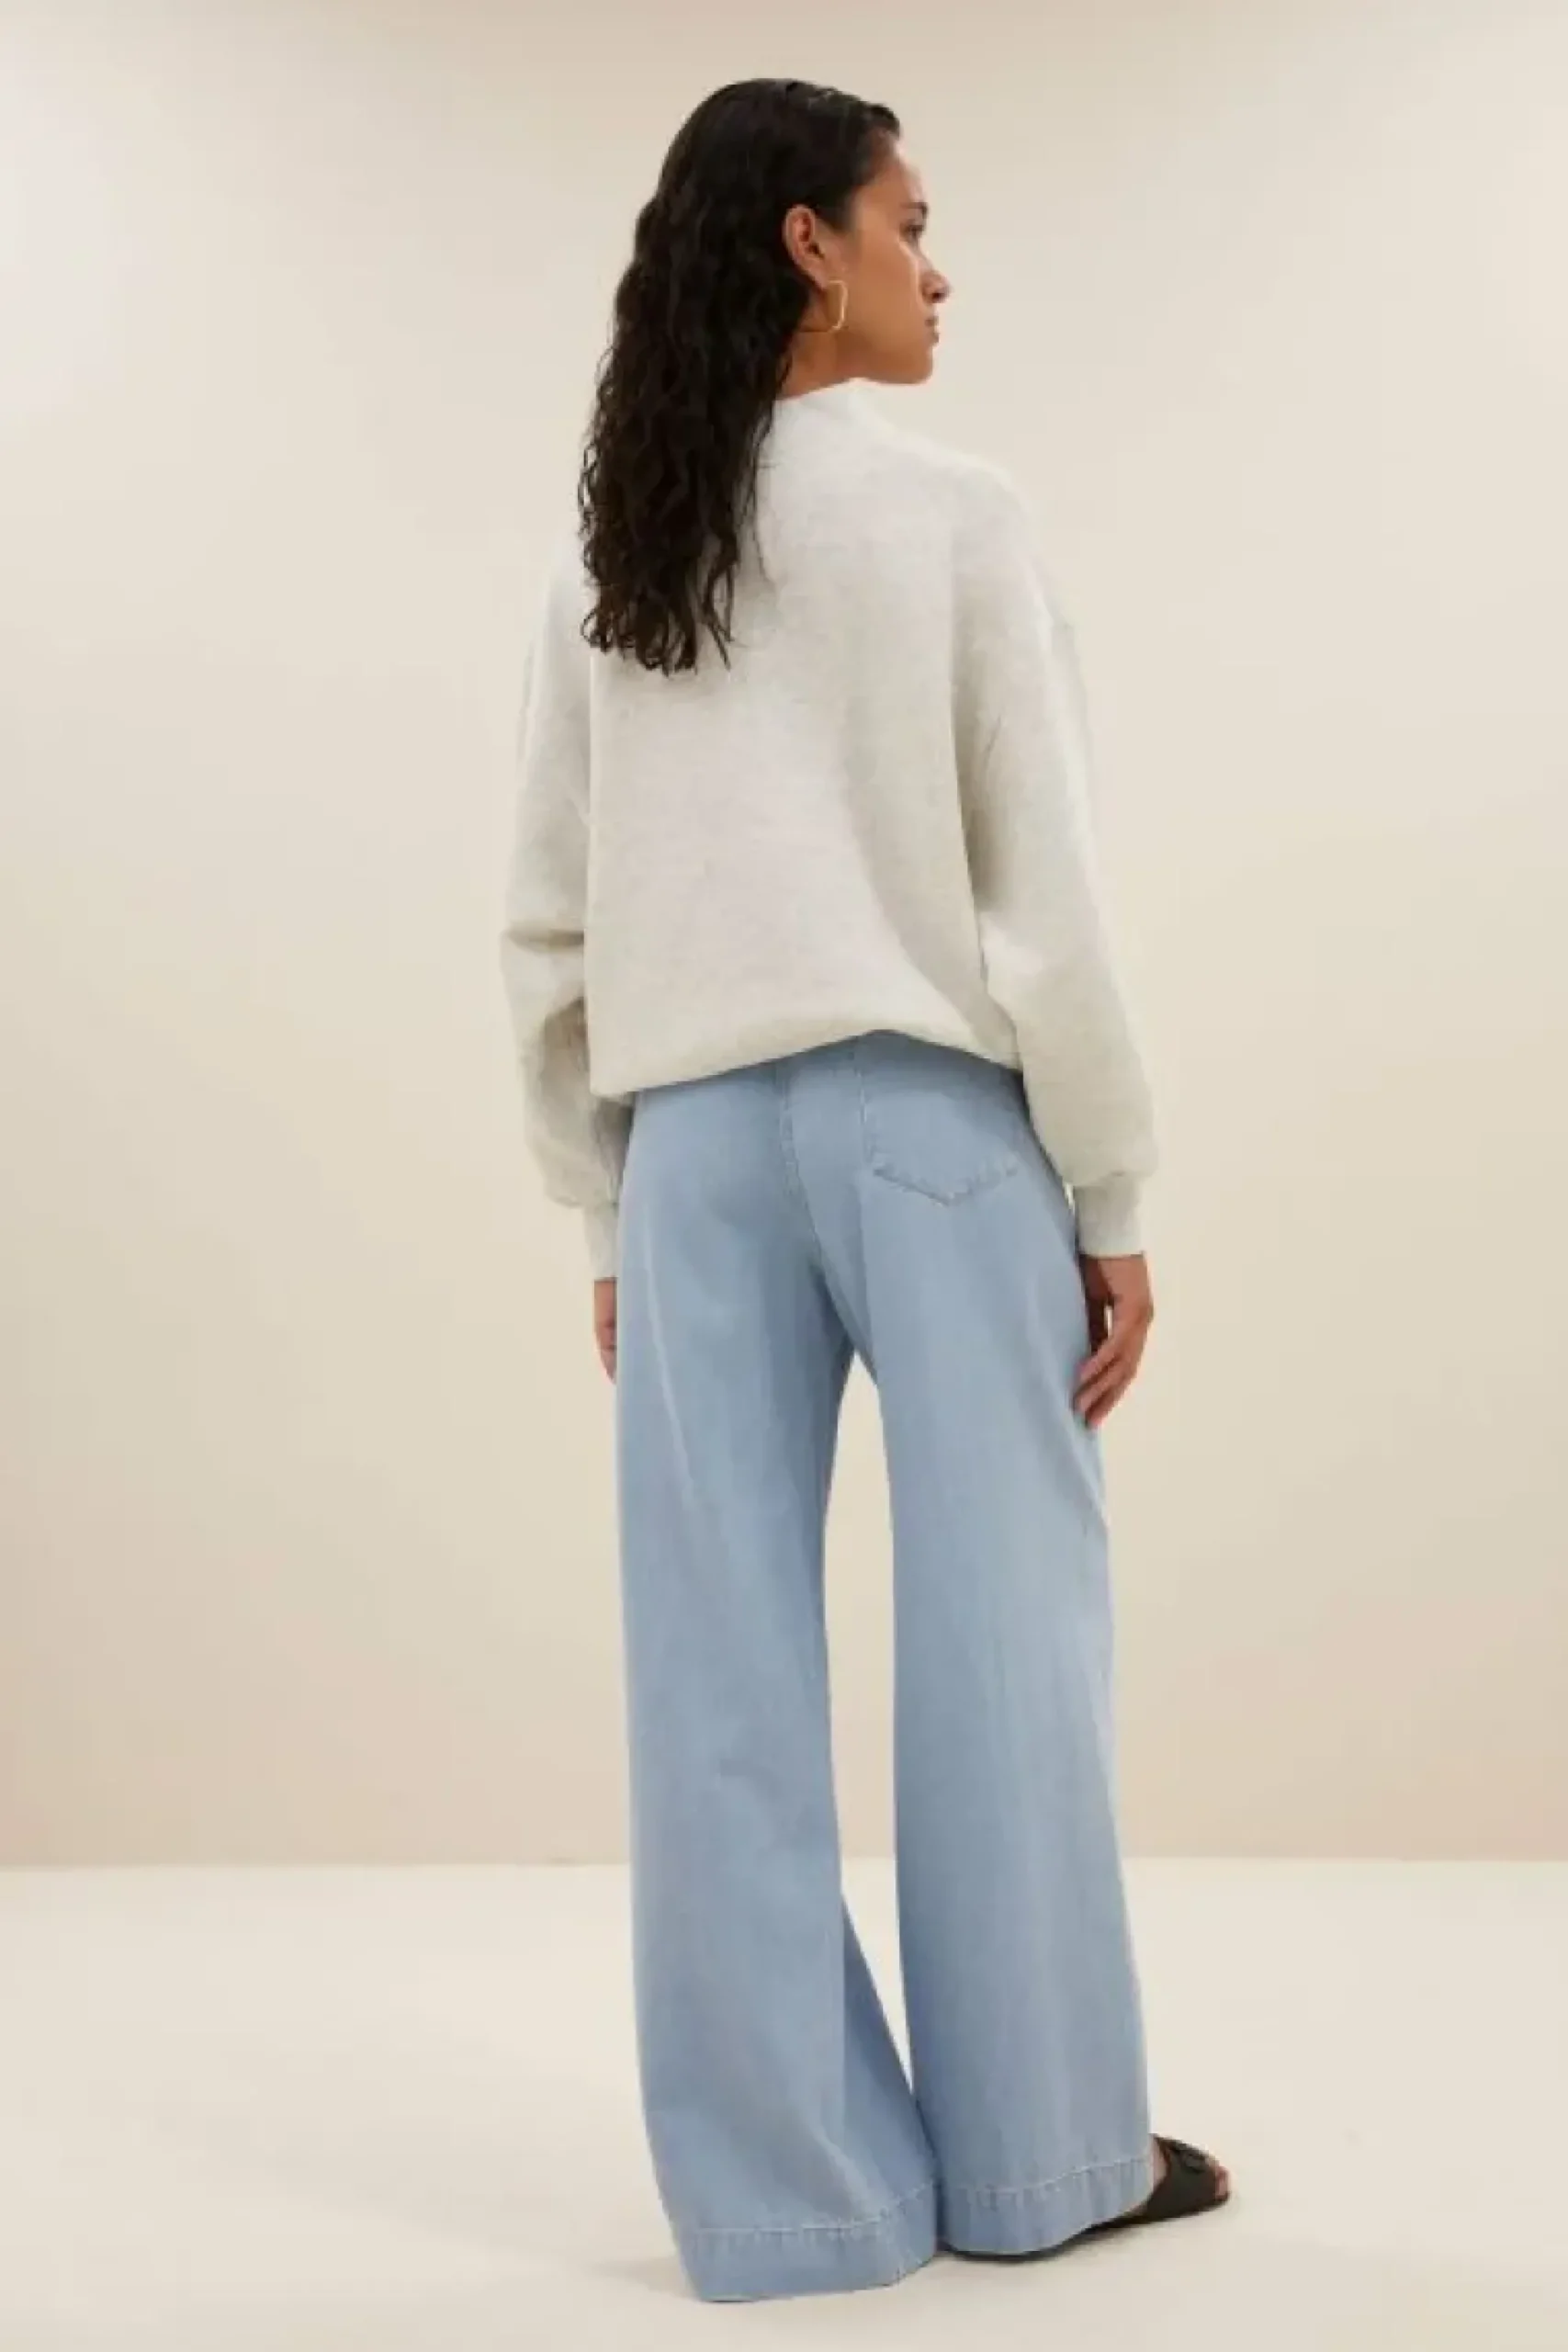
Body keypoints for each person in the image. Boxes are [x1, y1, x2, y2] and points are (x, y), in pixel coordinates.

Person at [498, 75, 1231, 2303]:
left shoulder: (619, 551)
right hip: (934, 1135)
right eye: (910, 220)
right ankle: (1037, 2158)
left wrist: (608, 1206)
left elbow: (551, 917)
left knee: (711, 1671)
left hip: (695, 1156)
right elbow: (1046, 897)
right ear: (810, 246)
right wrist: (1108, 1187)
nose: (940, 264)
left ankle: (794, 2196)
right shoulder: (953, 520)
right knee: (1006, 1648)